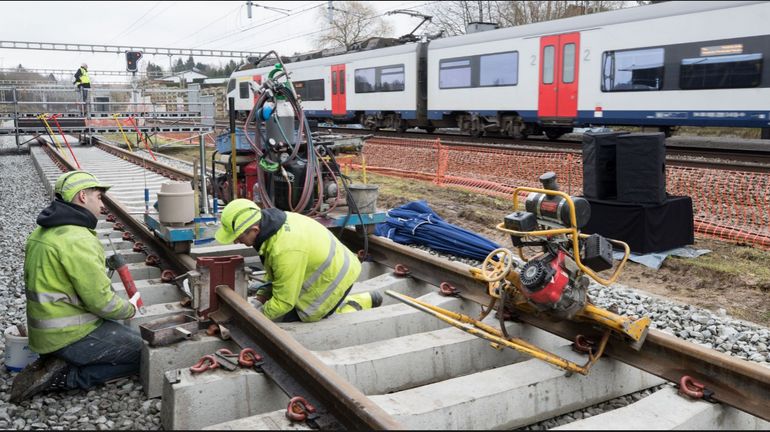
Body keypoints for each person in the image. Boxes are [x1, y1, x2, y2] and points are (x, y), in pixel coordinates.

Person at [10, 170, 141, 403]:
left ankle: (58, 360)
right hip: (69, 336)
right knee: (143, 353)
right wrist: (130, 309)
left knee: (119, 332)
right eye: (99, 197)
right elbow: (102, 302)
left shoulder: (41, 232)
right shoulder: (79, 238)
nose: (102, 203)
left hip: (44, 337)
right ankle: (67, 377)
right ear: (82, 197)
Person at [214, 199, 381, 322]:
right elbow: (277, 274)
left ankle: (351, 305)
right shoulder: (274, 224)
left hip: (334, 279)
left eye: (237, 237)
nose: (236, 241)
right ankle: (346, 303)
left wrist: (251, 318)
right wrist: (260, 299)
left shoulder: (285, 250)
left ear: (254, 229)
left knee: (299, 316)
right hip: (333, 265)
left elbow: (283, 303)